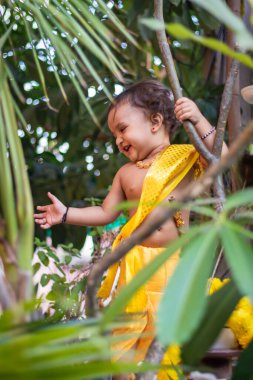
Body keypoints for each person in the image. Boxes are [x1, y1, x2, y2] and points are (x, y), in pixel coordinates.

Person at [34, 79, 227, 377]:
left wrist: (199, 118)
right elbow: (105, 211)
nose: (118, 140)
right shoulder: (125, 174)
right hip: (134, 266)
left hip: (172, 264)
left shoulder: (185, 158)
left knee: (170, 340)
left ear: (155, 122)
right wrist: (66, 214)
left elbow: (222, 157)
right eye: (114, 135)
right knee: (123, 339)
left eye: (122, 129)